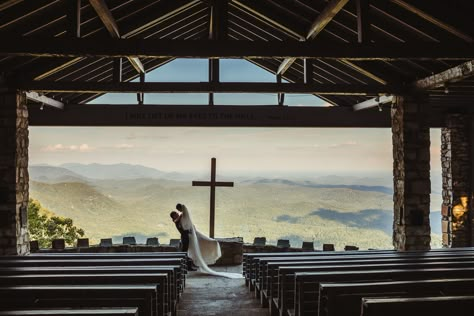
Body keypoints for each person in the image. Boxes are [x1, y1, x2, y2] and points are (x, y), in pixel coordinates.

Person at [169, 203, 242, 279]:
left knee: (188, 251)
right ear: (173, 217)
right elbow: (181, 225)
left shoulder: (180, 218)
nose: (177, 214)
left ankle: (189, 266)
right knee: (185, 252)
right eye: (175, 214)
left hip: (188, 237)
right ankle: (187, 266)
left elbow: (184, 220)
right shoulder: (176, 221)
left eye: (177, 213)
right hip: (185, 238)